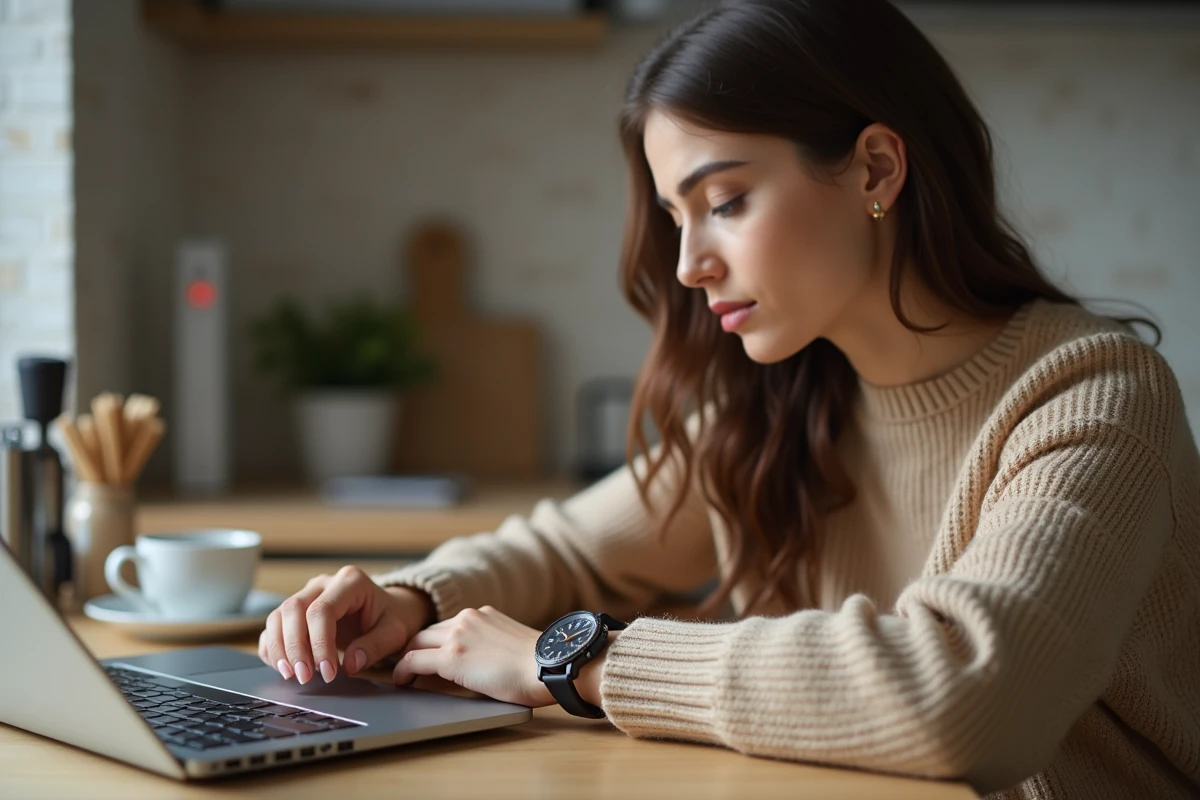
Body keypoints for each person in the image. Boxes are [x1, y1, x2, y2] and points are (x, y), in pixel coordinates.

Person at [257, 1, 1200, 797]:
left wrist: (578, 664)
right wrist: (409, 598)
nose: (688, 264)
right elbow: (565, 547)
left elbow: (969, 699)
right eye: (676, 217)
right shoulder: (788, 403)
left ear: (876, 170)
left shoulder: (1091, 396)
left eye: (727, 201)